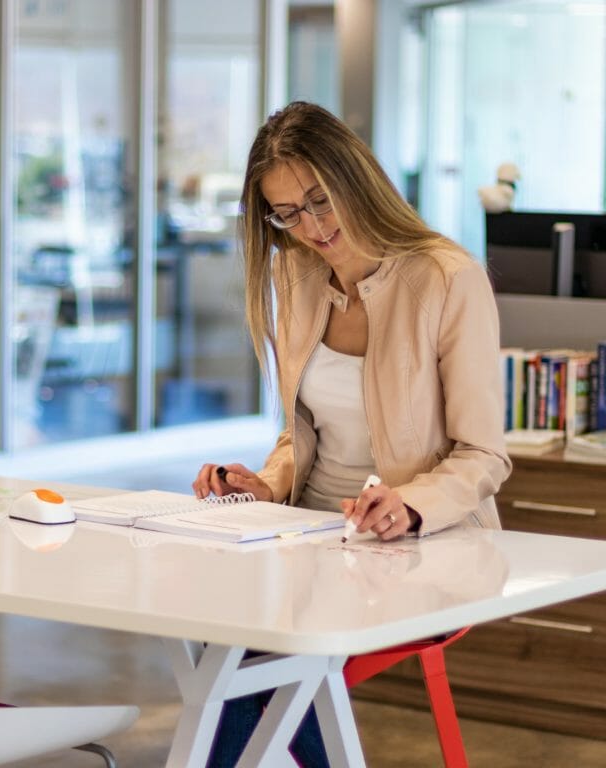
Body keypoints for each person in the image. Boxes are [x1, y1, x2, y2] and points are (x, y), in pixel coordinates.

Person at [191, 101, 512, 767]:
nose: (309, 227)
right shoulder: (295, 274)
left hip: (425, 549)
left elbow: (484, 454)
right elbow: (301, 432)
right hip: (311, 540)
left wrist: (412, 503)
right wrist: (264, 482)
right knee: (220, 634)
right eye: (286, 213)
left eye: (318, 200)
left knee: (247, 658)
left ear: (354, 179)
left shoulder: (448, 279)